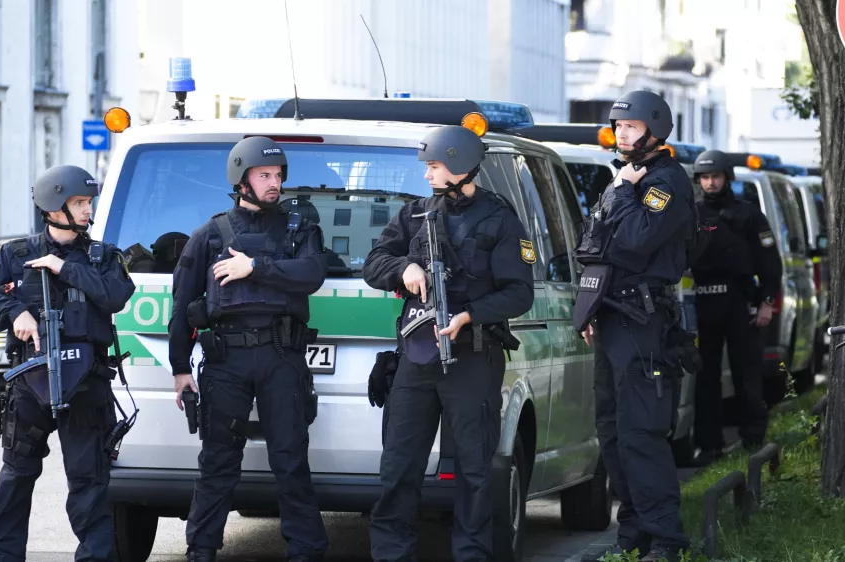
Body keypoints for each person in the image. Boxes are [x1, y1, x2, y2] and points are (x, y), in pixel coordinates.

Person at [363, 124, 535, 562]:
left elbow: (520, 293)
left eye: (434, 166)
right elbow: (374, 262)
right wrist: (403, 269)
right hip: (418, 356)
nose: (427, 175)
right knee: (398, 466)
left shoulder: (500, 220)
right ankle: (392, 555)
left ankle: (472, 555)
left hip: (473, 356)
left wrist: (470, 314)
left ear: (460, 166)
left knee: (475, 472)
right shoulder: (416, 214)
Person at [169, 136, 329, 562]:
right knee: (218, 461)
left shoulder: (299, 229)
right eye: (264, 175)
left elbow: (312, 274)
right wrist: (180, 367)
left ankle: (306, 551)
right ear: (242, 181)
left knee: (290, 459)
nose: (274, 183)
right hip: (227, 360)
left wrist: (254, 267)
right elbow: (182, 303)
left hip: (282, 357)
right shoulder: (211, 234)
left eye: (277, 175)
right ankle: (201, 550)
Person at [0, 164, 136, 562]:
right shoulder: (16, 255)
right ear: (53, 207)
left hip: (86, 384)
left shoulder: (102, 256)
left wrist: (66, 269)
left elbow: (115, 295)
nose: (87, 210)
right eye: (79, 203)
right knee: (16, 476)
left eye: (88, 202)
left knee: (89, 483)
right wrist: (14, 312)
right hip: (30, 383)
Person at [574, 91, 696, 562]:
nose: (621, 133)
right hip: (612, 316)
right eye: (617, 126)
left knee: (642, 432)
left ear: (654, 129)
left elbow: (631, 242)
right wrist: (590, 308)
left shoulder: (664, 180)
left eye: (630, 126)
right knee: (611, 431)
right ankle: (633, 534)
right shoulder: (622, 178)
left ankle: (666, 539)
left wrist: (624, 191)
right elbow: (592, 246)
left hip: (642, 322)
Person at [689, 149, 782, 465]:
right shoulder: (692, 214)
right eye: (705, 177)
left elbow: (770, 262)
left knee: (747, 373)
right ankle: (709, 445)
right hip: (703, 301)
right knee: (706, 377)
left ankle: (753, 440)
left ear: (727, 178)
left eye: (715, 176)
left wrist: (767, 302)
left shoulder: (748, 214)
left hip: (740, 302)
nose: (710, 183)